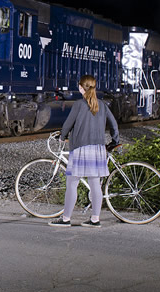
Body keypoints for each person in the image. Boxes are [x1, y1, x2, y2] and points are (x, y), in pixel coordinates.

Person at [49, 74, 120, 228]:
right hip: (98, 149)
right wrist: (115, 141)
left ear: (81, 87)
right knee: (95, 184)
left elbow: (69, 123)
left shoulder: (79, 104)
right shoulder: (102, 104)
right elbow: (114, 124)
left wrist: (62, 136)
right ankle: (95, 219)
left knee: (72, 183)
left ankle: (66, 218)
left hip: (81, 148)